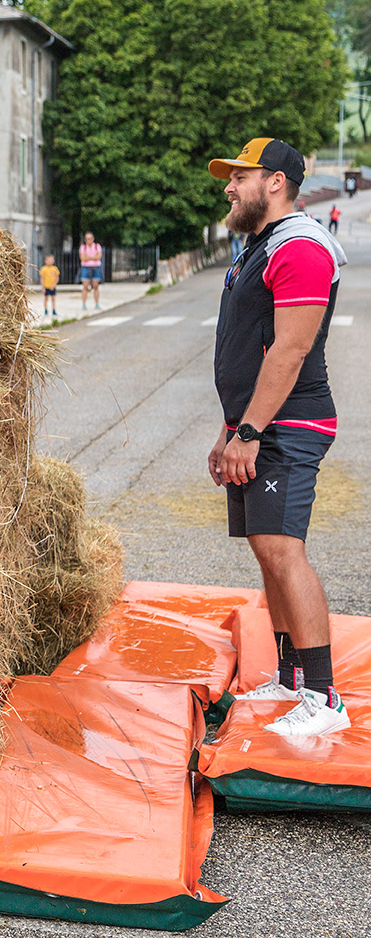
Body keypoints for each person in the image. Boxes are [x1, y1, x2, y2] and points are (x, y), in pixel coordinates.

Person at [207, 137, 348, 736]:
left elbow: (289, 351)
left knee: (283, 549)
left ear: (275, 182)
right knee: (267, 549)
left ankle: (323, 697)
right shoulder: (257, 247)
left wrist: (249, 431)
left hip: (288, 421)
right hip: (258, 423)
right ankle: (291, 678)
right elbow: (246, 351)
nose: (229, 186)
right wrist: (228, 431)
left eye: (240, 176)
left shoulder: (301, 248)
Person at [78, 232, 103, 310]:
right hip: (86, 267)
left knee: (96, 286)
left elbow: (99, 257)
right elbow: (83, 258)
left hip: (96, 267)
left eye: (90, 239)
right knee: (85, 286)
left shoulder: (97, 246)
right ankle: (84, 304)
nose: (88, 241)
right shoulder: (83, 247)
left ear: (93, 239)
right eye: (87, 239)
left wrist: (88, 257)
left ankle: (97, 303)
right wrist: (93, 257)